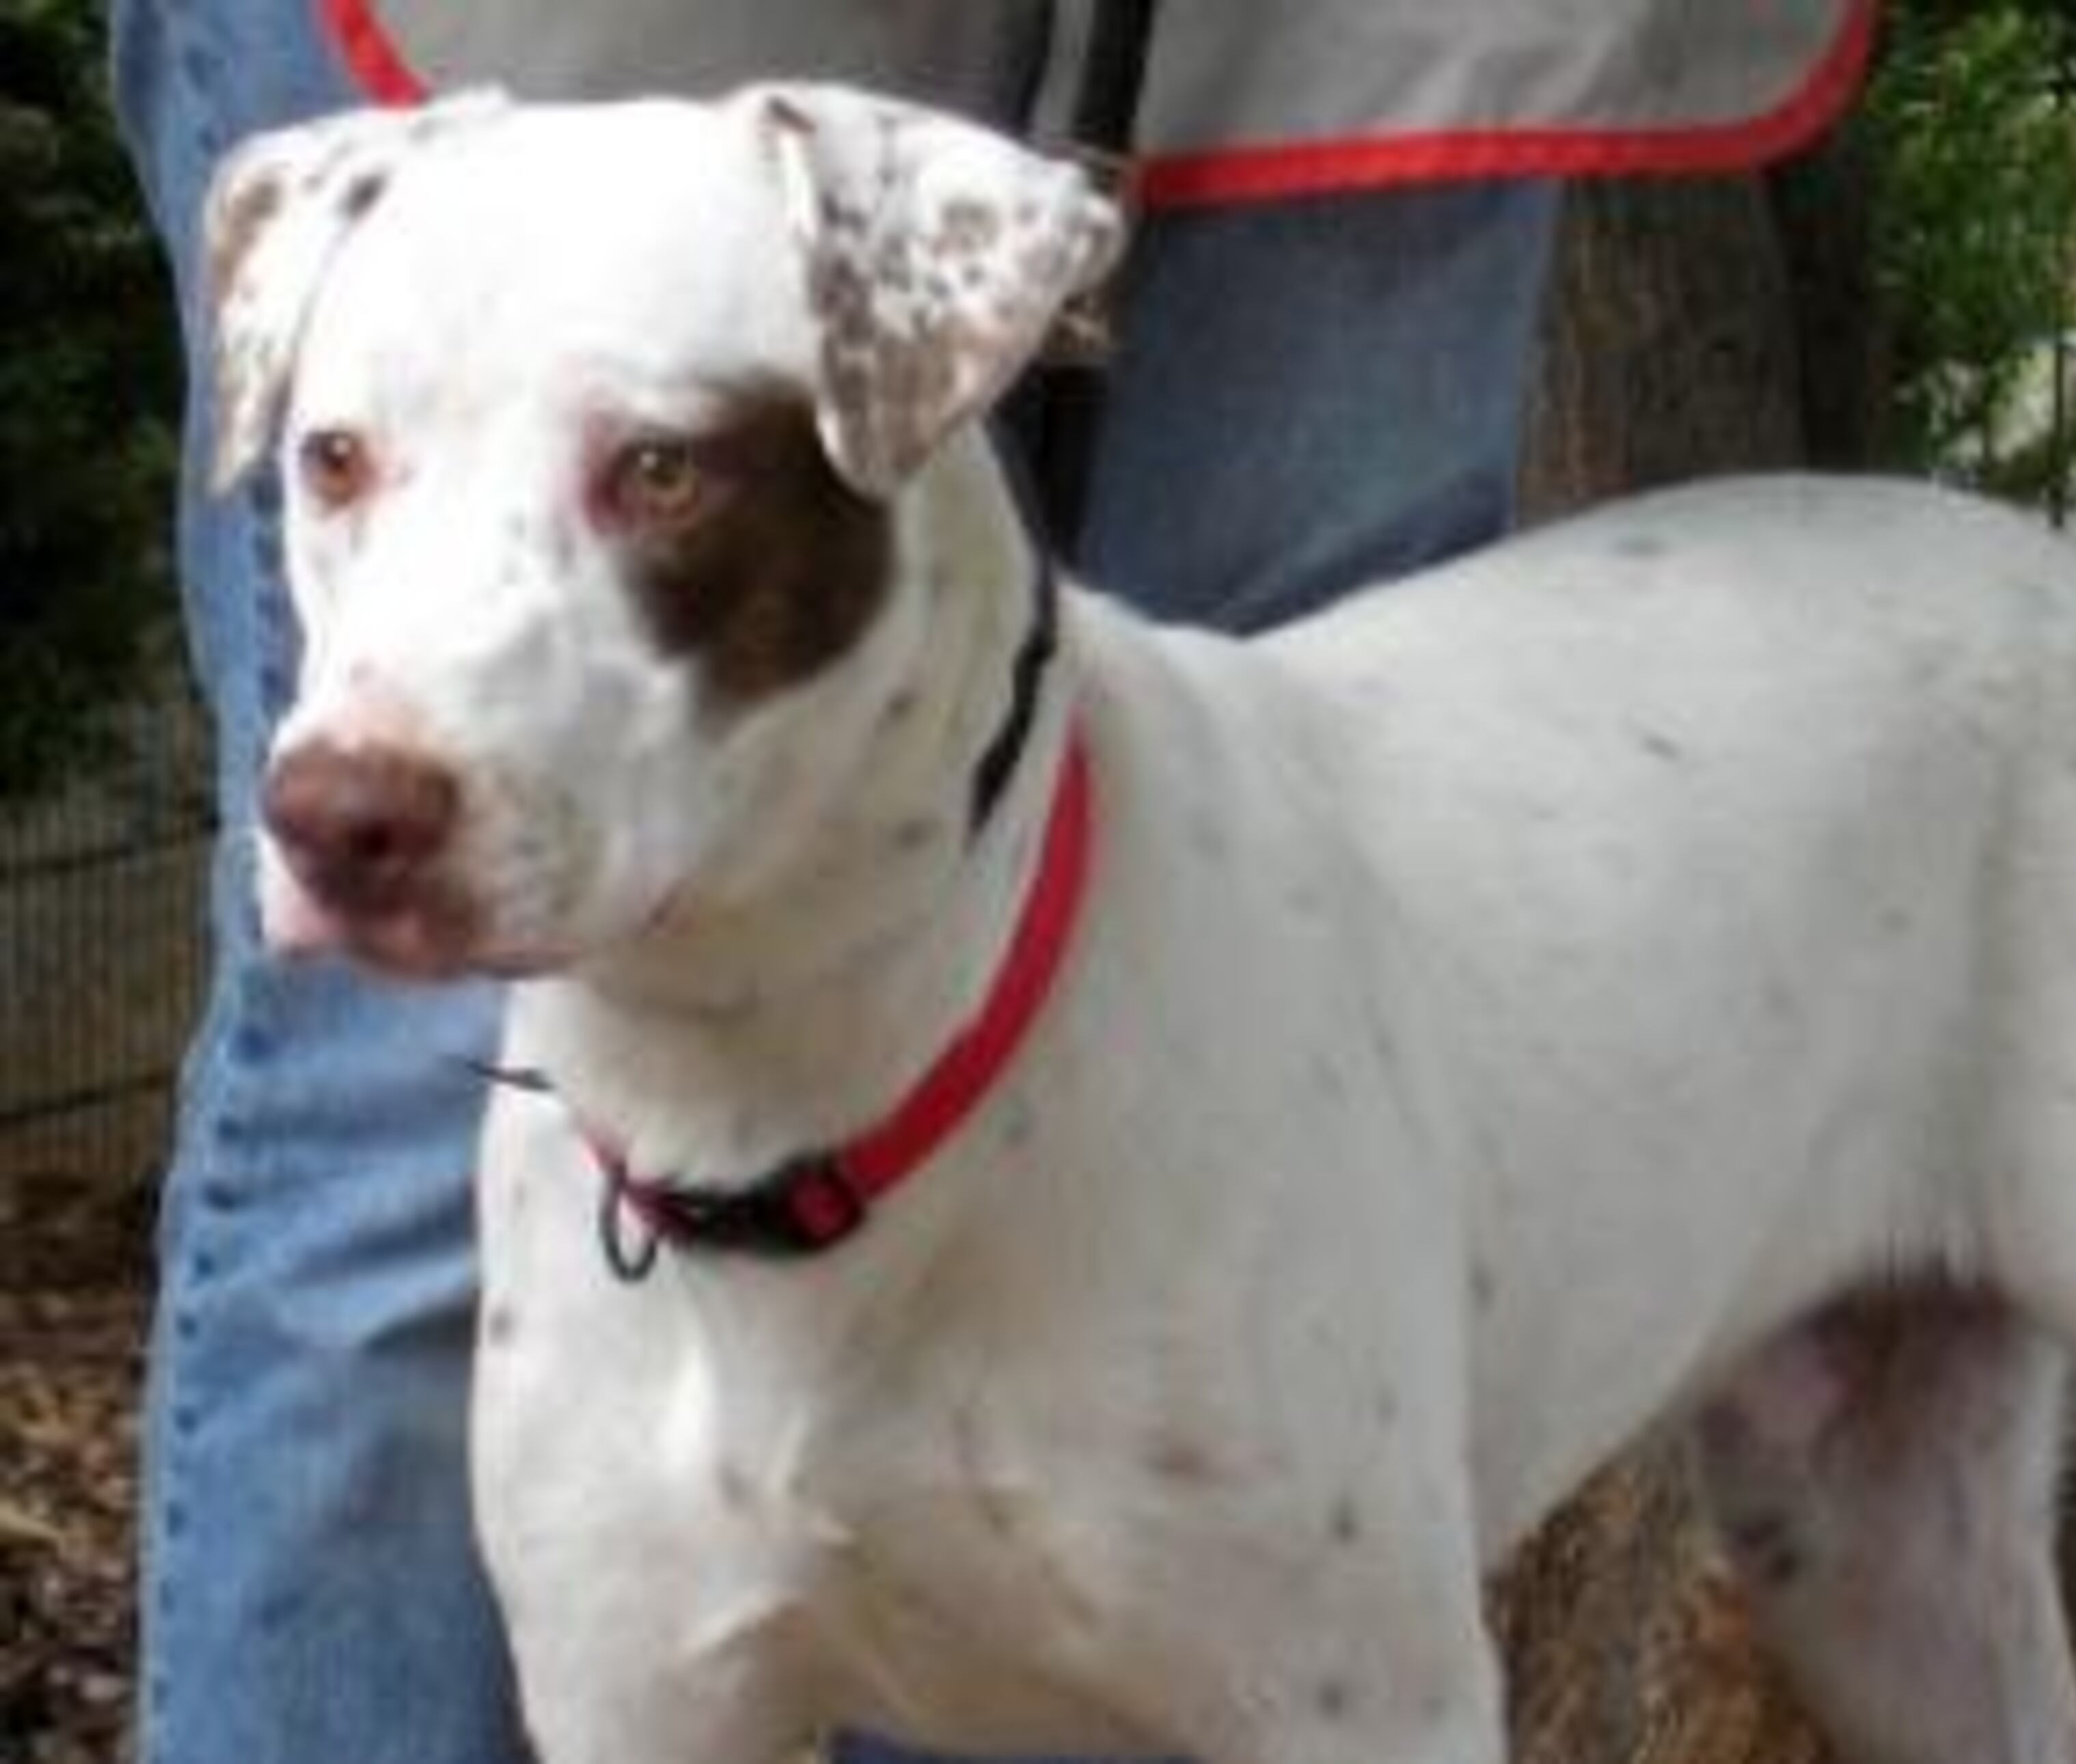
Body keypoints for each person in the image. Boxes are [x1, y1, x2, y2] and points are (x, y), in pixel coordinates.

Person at [106, 3, 1870, 1760]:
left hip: (1339, 39)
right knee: (421, 1120)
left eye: (643, 473)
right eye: (340, 470)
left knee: (1207, 1046)